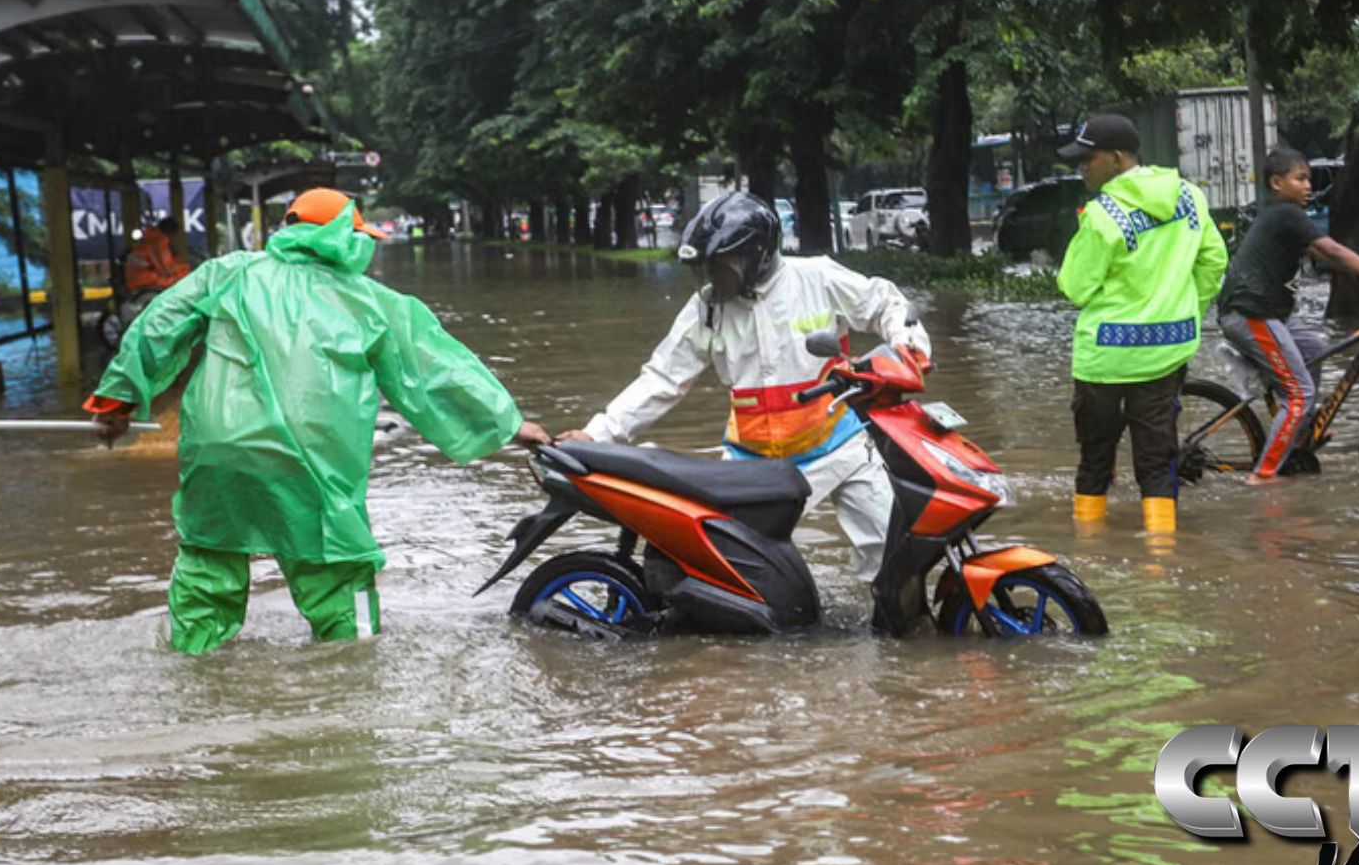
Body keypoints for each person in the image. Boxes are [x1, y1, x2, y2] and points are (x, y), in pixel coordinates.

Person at [85, 187, 552, 654]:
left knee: (209, 561)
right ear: (344, 237)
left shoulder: (229, 274)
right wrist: (510, 426)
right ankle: (352, 685)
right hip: (310, 459)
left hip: (217, 450)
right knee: (338, 577)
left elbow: (158, 326)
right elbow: (434, 369)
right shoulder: (370, 301)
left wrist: (116, 401)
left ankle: (191, 679)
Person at [556, 191, 929, 580]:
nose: (714, 275)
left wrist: (908, 352)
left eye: (722, 264)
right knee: (730, 577)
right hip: (752, 466)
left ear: (756, 256)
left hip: (839, 448)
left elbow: (885, 304)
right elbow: (662, 378)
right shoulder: (707, 308)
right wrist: (597, 434)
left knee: (893, 555)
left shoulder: (816, 277)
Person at [1055, 113, 1229, 534]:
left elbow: (1076, 287)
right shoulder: (1189, 196)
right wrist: (1185, 309)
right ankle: (1161, 563)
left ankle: (1092, 551)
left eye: (1088, 158)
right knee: (1156, 461)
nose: (1081, 167)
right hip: (1166, 353)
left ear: (1116, 159)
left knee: (1095, 459)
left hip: (1104, 359)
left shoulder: (1101, 215)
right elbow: (1214, 261)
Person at [1217, 146, 1359, 485]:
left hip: (1268, 313)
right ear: (1277, 183)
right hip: (1251, 313)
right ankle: (1263, 477)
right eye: (1300, 178)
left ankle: (1296, 438)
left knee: (1314, 348)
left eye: (1309, 178)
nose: (1308, 185)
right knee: (1299, 393)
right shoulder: (1286, 214)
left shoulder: (1287, 218)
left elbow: (1328, 256)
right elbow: (1334, 249)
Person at [124, 216, 191, 293]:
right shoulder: (159, 241)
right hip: (145, 279)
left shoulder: (151, 236)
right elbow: (165, 269)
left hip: (137, 278)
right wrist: (182, 269)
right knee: (183, 275)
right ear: (171, 232)